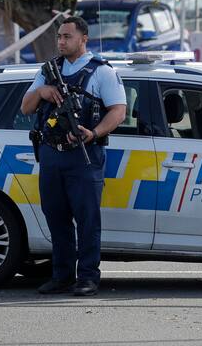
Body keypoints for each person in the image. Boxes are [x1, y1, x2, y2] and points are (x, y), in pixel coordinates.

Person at [20, 16, 126, 297]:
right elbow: (26, 107)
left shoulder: (102, 72)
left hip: (84, 154)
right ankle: (62, 275)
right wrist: (42, 91)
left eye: (67, 36)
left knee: (87, 218)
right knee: (56, 217)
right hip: (51, 154)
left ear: (83, 39)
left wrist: (93, 132)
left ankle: (88, 277)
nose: (61, 42)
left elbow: (118, 111)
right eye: (59, 37)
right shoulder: (49, 70)